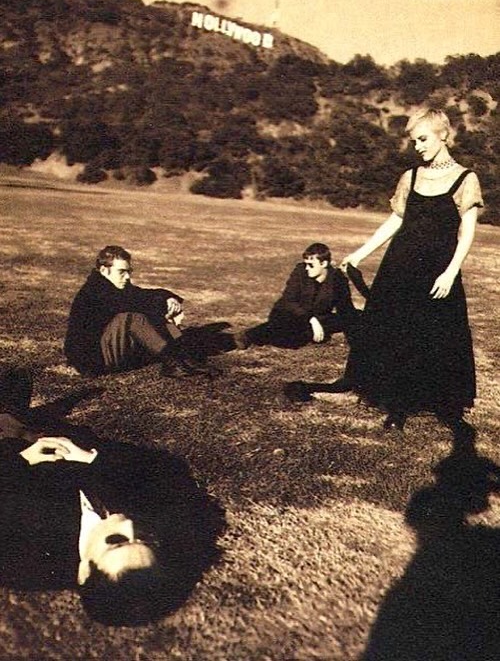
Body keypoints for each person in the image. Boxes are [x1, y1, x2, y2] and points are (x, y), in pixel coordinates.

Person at [0, 365, 224, 625]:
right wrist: (93, 459)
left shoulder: (22, 559)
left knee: (12, 396)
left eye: (117, 541)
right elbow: (167, 468)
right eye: (144, 538)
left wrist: (20, 459)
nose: (128, 525)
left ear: (85, 570)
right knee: (17, 380)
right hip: (58, 435)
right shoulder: (159, 522)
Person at [334, 108, 483, 433]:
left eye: (423, 139)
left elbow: (467, 232)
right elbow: (395, 221)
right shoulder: (410, 177)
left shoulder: (466, 178)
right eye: (415, 141)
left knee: (433, 337)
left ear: (443, 135)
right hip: (399, 269)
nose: (418, 146)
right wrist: (359, 254)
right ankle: (396, 405)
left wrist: (451, 272)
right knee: (397, 334)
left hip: (438, 272)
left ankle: (439, 403)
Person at [64, 245, 214, 377]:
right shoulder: (95, 290)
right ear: (104, 270)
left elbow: (143, 294)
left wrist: (169, 299)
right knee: (131, 318)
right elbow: (133, 304)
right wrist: (164, 309)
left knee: (152, 312)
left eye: (129, 271)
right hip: (90, 360)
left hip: (103, 349)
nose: (127, 277)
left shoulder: (113, 285)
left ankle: (184, 357)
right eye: (122, 272)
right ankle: (172, 362)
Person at [235, 243, 360, 350]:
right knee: (288, 336)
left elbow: (345, 308)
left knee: (355, 316)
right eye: (306, 264)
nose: (307, 268)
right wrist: (311, 319)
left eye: (311, 265)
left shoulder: (337, 279)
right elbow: (288, 301)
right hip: (292, 313)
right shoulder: (300, 271)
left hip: (320, 317)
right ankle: (248, 335)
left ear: (324, 263)